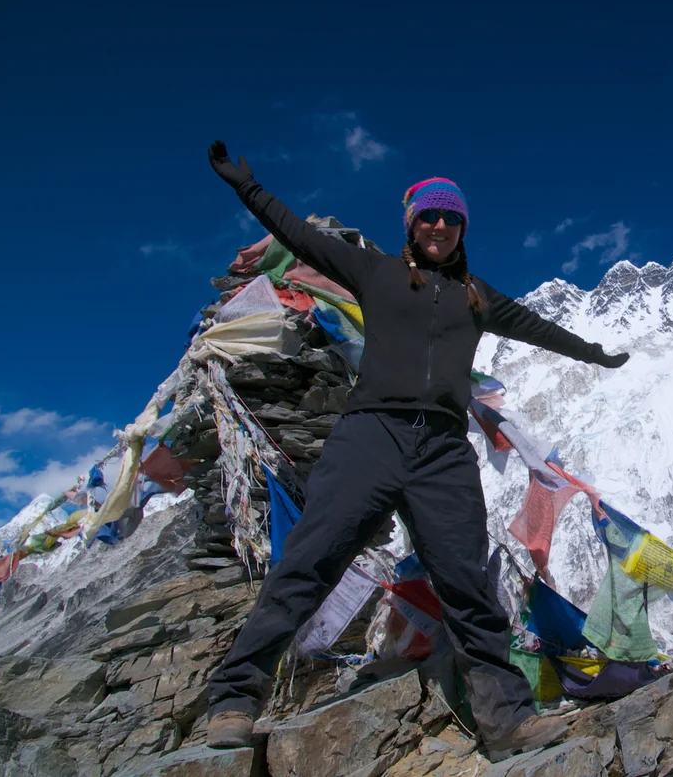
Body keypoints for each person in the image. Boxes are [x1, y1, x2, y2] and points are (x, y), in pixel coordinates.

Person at [202, 141, 629, 761]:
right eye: (429, 216)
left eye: (451, 218)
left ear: (462, 229)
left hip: (443, 453)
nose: (439, 226)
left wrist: (594, 355)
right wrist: (247, 186)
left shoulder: (477, 296)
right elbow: (294, 233)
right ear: (411, 223)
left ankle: (507, 720)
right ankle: (235, 697)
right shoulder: (371, 271)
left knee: (467, 585)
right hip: (370, 434)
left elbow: (539, 328)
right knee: (310, 560)